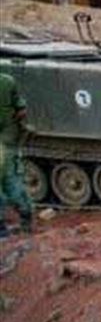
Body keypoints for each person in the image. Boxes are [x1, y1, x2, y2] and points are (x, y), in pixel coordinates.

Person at [0, 71, 31, 236]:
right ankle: (26, 220)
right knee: (12, 179)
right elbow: (22, 111)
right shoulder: (7, 81)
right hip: (8, 138)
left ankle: (2, 230)